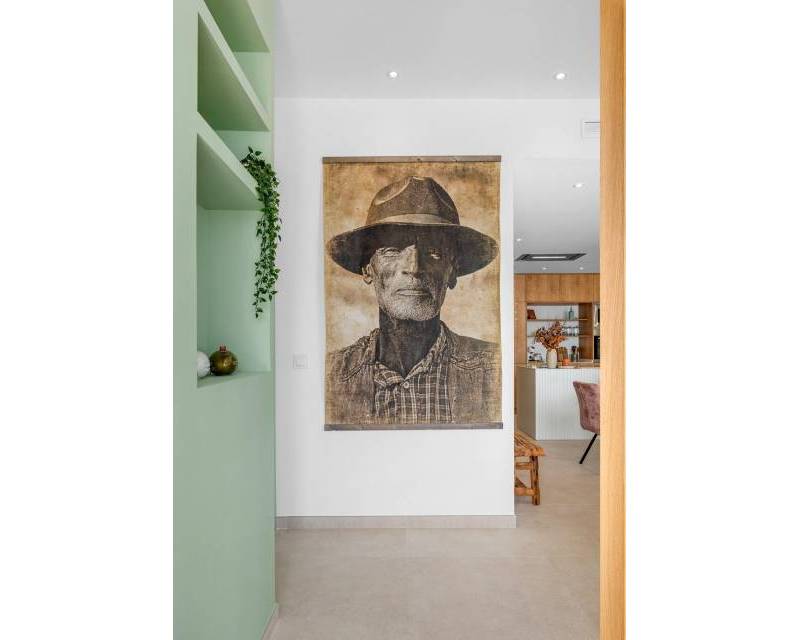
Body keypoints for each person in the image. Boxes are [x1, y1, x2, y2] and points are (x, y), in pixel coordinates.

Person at [325, 175, 501, 428]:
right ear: (367, 268)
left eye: (433, 252)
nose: (414, 268)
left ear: (452, 271)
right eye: (393, 250)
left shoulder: (492, 368)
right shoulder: (332, 373)